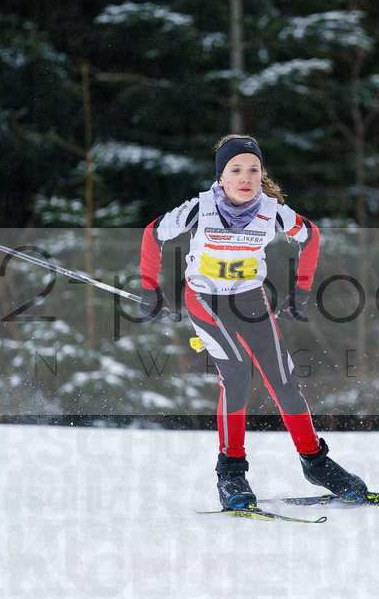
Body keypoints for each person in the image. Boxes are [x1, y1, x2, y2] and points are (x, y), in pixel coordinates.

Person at [138, 134, 367, 509]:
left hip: (250, 300)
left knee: (284, 379)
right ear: (222, 178)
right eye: (236, 170)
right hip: (205, 300)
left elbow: (310, 238)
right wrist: (150, 288)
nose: (245, 178)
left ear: (261, 176)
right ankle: (231, 473)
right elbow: (153, 234)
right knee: (237, 374)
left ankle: (316, 462)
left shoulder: (272, 211)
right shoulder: (199, 208)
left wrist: (302, 290)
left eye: (253, 170)